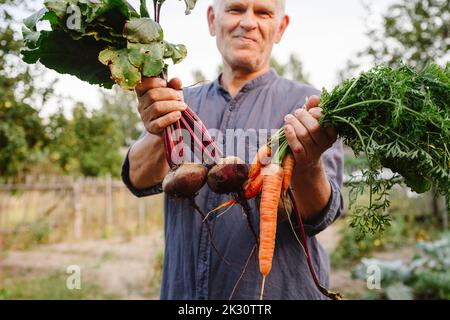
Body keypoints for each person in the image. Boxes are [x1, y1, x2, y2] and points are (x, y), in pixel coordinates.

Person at [122, 0, 344, 300]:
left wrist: (308, 163)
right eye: (236, 9)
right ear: (212, 20)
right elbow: (137, 180)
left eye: (263, 12)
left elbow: (320, 215)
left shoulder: (310, 106)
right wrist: (157, 128)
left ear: (281, 27)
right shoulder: (177, 101)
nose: (248, 22)